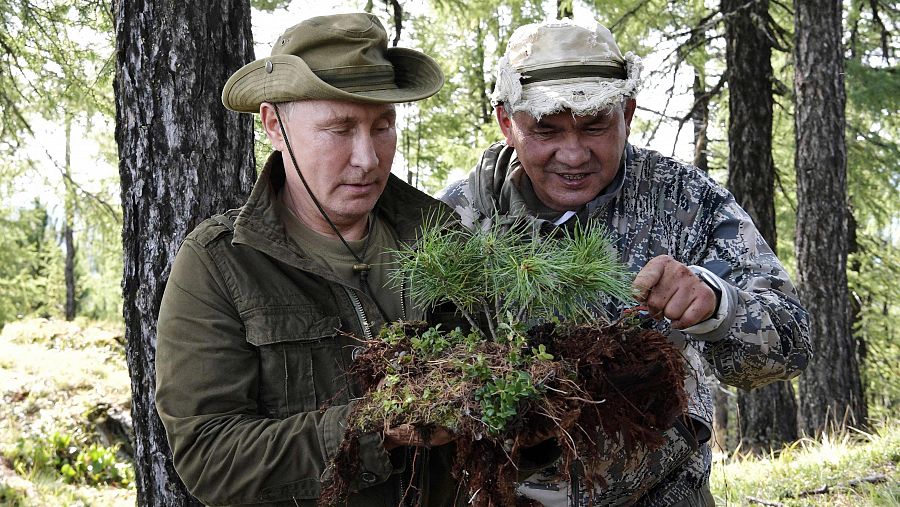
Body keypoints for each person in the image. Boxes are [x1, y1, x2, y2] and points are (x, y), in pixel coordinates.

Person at [439, 19, 811, 506]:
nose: (574, 155)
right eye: (546, 129)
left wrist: (716, 305)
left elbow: (791, 343)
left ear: (628, 113)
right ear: (508, 123)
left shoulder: (681, 200)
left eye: (595, 125)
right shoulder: (459, 219)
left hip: (661, 493)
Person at [155, 13, 459, 506]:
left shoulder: (440, 236)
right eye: (339, 129)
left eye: (383, 126)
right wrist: (374, 429)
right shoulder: (222, 264)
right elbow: (210, 457)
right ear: (275, 126)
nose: (368, 158)